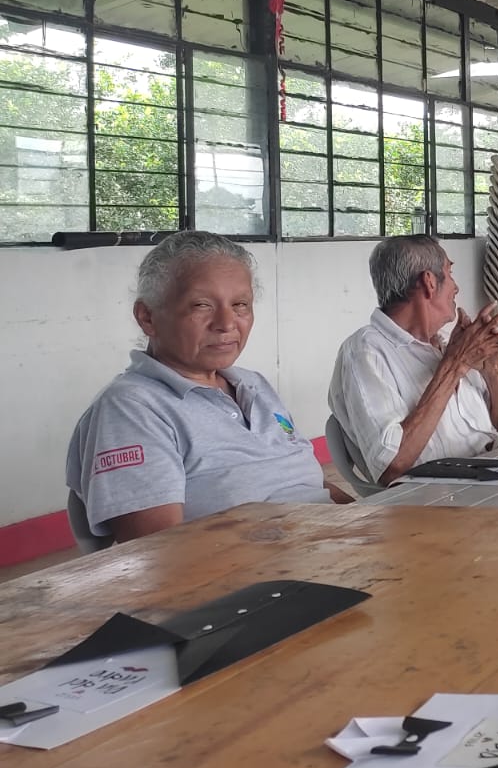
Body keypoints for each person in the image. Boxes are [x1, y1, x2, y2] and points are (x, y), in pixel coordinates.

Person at [66, 232, 341, 544]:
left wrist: (367, 517)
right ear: (147, 317)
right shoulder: (131, 409)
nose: (226, 323)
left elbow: (309, 487)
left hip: (330, 546)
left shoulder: (252, 385)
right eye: (201, 305)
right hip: (260, 568)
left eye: (240, 305)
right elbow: (160, 550)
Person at [329, 236, 498, 486]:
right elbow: (391, 466)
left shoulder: (448, 345)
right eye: (450, 273)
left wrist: (494, 371)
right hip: (443, 495)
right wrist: (454, 366)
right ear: (429, 282)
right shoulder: (365, 351)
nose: (456, 287)